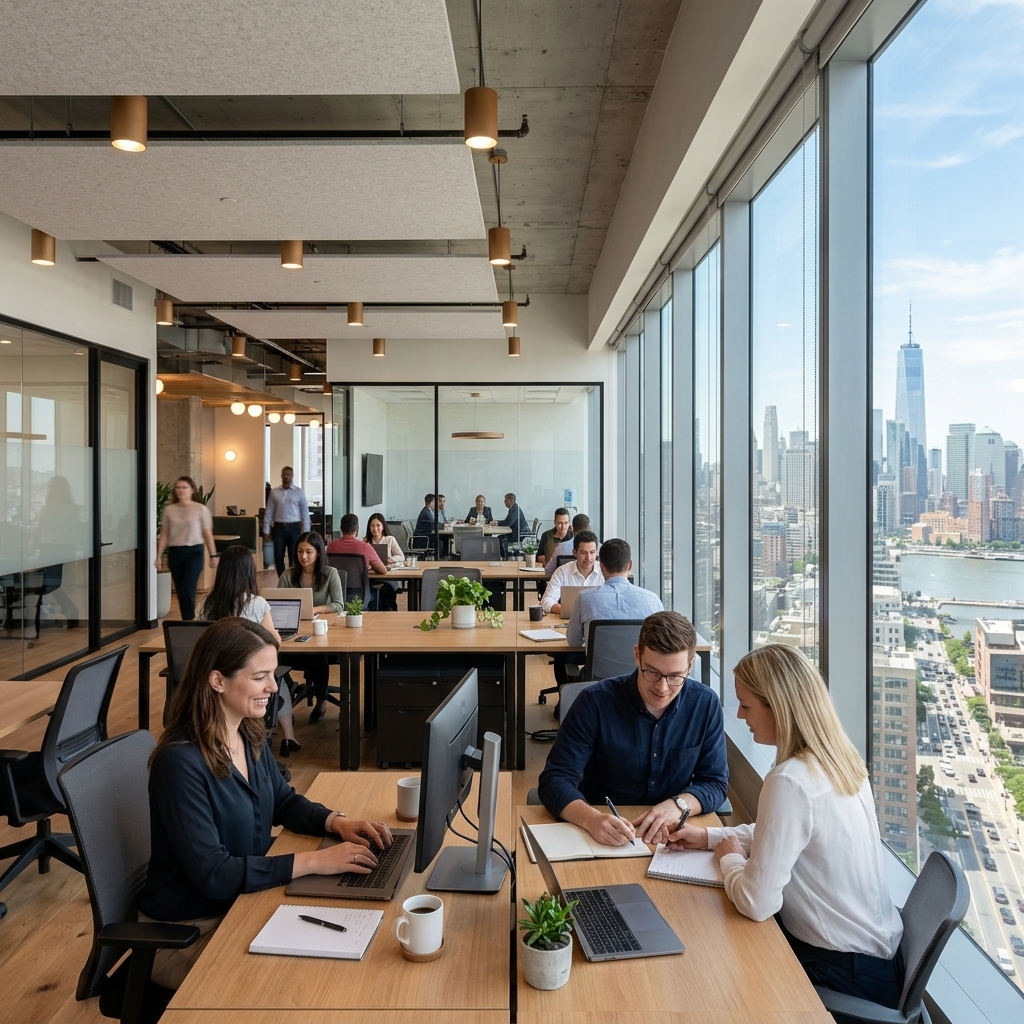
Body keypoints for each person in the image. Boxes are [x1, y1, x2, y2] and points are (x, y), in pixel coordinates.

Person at [137, 618, 392, 990]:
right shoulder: (179, 763)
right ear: (217, 680)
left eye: (273, 674)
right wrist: (314, 862)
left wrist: (336, 823)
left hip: (243, 904)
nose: (275, 687)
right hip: (189, 931)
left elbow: (282, 801)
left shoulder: (246, 732)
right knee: (307, 984)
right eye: (261, 677)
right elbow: (215, 874)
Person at [667, 645, 905, 1008]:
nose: (740, 714)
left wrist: (729, 859)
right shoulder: (841, 760)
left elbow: (755, 902)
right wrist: (710, 836)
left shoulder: (790, 781)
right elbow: (787, 834)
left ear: (778, 707)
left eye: (746, 705)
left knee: (702, 973)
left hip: (838, 972)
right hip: (877, 964)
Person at [538, 611, 728, 847]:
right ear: (637, 655)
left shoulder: (705, 704)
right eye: (653, 672)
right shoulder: (595, 702)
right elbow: (554, 780)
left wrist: (678, 804)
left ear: (690, 666)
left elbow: (715, 782)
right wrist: (591, 819)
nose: (662, 687)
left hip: (673, 836)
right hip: (603, 833)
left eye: (675, 676)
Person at [198, 545, 301, 757]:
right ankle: (289, 736)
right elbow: (273, 643)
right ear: (248, 572)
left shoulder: (205, 604)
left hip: (212, 674)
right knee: (274, 675)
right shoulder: (257, 604)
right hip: (245, 675)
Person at [278, 532, 344, 723]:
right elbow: (277, 602)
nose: (303, 556)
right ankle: (289, 687)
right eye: (300, 551)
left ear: (318, 553)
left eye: (309, 552)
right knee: (274, 653)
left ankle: (321, 700)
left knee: (318, 657)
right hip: (293, 629)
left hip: (321, 632)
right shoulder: (288, 575)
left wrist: (313, 609)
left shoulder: (330, 573)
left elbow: (339, 604)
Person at [566, 537, 662, 649]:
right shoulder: (653, 600)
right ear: (630, 565)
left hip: (599, 667)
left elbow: (573, 641)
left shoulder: (585, 598)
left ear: (601, 566)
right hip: (640, 666)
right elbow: (659, 643)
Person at [155, 476, 219, 621]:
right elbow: (164, 534)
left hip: (194, 553)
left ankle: (189, 621)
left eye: (184, 487)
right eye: (178, 487)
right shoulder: (169, 510)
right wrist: (159, 555)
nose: (181, 490)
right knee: (180, 590)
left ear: (192, 490)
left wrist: (213, 555)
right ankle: (187, 619)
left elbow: (207, 533)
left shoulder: (200, 509)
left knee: (188, 589)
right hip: (175, 553)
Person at [327, 513, 396, 611]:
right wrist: (369, 567)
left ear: (341, 529)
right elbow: (383, 570)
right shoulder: (365, 547)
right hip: (359, 596)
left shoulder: (331, 547)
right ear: (357, 529)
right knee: (387, 589)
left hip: (334, 595)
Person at [262, 467, 310, 577]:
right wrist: (266, 530)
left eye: (288, 474)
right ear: (281, 475)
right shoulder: (274, 493)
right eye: (284, 474)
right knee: (278, 555)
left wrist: (306, 532)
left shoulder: (299, 492)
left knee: (295, 555)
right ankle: (282, 579)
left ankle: (294, 579)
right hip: (279, 528)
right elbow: (269, 512)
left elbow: (305, 513)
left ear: (292, 476)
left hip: (294, 527)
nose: (286, 476)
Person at [545, 513, 592, 578]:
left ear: (572, 528)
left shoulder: (561, 547)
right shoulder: (600, 549)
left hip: (565, 587)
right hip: (593, 587)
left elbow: (548, 571)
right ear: (589, 528)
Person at [494, 492, 529, 557]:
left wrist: (498, 523)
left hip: (519, 535)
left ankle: (504, 557)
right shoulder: (513, 508)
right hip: (516, 532)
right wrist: (497, 522)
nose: (504, 502)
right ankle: (503, 556)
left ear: (511, 501)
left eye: (506, 500)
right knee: (499, 538)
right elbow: (507, 521)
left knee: (500, 539)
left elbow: (508, 523)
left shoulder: (515, 510)